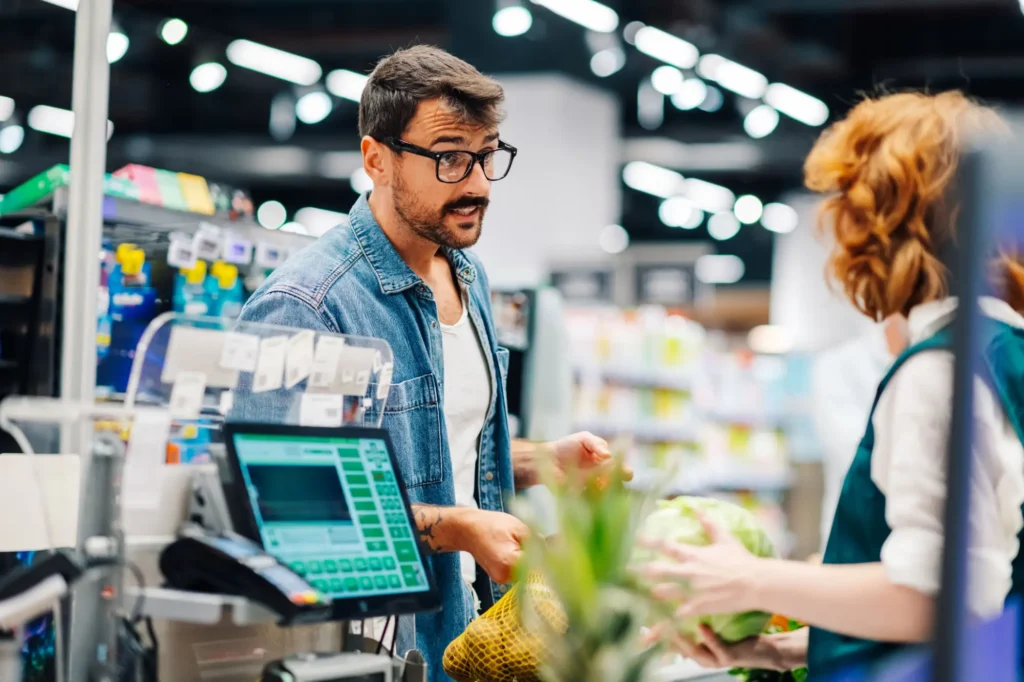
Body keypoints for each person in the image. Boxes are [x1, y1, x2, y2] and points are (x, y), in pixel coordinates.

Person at [235, 45, 619, 680]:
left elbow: (440, 451)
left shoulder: (467, 274)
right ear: (376, 159)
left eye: (487, 155)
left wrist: (541, 461)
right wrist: (458, 529)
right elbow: (285, 515)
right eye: (449, 158)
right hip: (377, 652)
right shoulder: (308, 307)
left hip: (473, 635)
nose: (477, 184)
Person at [639, 90, 1024, 677]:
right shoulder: (1002, 351)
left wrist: (749, 579)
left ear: (880, 221)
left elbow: (937, 596)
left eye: (846, 205)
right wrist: (780, 649)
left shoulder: (938, 370)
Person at [811, 315, 907, 551]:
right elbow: (857, 459)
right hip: (856, 539)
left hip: (913, 542)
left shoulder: (937, 361)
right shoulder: (838, 365)